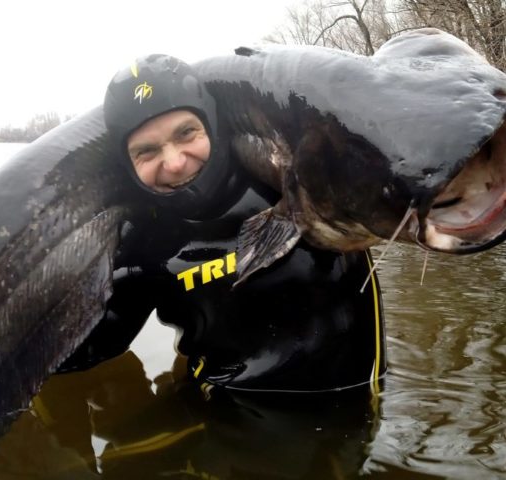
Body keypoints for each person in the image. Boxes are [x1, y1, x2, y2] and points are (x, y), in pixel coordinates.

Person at [61, 53, 387, 396]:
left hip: (354, 408)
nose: (173, 162)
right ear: (128, 165)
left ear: (213, 125)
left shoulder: (292, 182)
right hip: (221, 414)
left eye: (186, 133)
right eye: (146, 151)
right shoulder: (143, 240)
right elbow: (89, 346)